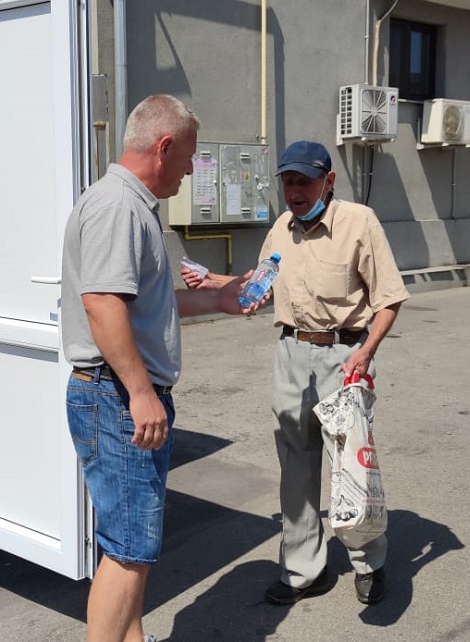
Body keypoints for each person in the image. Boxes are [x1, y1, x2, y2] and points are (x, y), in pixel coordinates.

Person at [182, 140, 409, 606]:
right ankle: (305, 571)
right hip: (290, 354)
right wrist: (214, 281)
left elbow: (389, 298)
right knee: (295, 467)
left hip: (344, 355)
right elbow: (261, 280)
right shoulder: (282, 228)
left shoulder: (359, 222)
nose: (295, 191)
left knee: (351, 465)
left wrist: (366, 352)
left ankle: (369, 561)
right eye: (288, 182)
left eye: (304, 181)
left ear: (329, 181)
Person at [61, 94, 249, 642]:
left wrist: (219, 299)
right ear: (164, 147)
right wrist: (141, 393)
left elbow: (145, 305)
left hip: (118, 395)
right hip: (117, 397)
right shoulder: (118, 207)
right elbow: (103, 304)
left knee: (130, 546)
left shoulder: (132, 207)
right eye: (189, 157)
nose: (190, 170)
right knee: (128, 551)